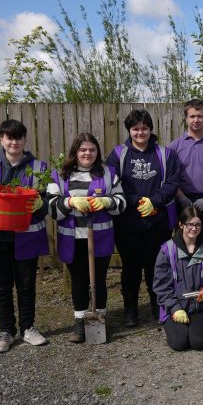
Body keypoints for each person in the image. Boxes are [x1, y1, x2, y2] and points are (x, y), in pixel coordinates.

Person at [0, 119, 49, 353]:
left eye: (18, 137)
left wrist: (40, 205)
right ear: (2, 139)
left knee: (26, 284)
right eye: (9, 137)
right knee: (1, 285)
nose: (14, 142)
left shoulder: (39, 168)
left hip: (27, 236)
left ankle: (28, 328)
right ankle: (6, 331)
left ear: (25, 140)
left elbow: (49, 202)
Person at [46, 133, 125, 343]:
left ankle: (100, 319)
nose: (87, 153)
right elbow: (52, 208)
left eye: (92, 149)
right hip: (72, 237)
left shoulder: (108, 173)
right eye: (83, 150)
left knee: (99, 280)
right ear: (75, 152)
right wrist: (70, 203)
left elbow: (122, 201)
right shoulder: (60, 175)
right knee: (79, 281)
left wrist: (108, 202)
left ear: (97, 152)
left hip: (100, 236)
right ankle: (80, 325)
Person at [106, 109, 181, 327]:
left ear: (151, 129)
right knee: (130, 267)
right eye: (136, 129)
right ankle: (131, 309)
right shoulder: (118, 154)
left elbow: (172, 181)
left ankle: (157, 305)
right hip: (128, 222)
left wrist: (155, 201)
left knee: (155, 266)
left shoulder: (165, 154)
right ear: (129, 131)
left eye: (144, 128)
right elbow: (113, 182)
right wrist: (138, 201)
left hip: (157, 222)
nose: (140, 132)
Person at [153, 206, 203, 351]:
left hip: (201, 307)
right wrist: (174, 308)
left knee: (198, 343)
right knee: (179, 343)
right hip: (175, 307)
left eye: (198, 224)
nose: (194, 228)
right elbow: (161, 286)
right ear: (181, 224)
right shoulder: (167, 250)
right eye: (190, 224)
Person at [167, 98, 203, 246]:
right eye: (192, 116)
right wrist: (181, 198)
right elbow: (169, 177)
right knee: (183, 242)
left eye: (200, 116)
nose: (196, 120)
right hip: (182, 199)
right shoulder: (174, 147)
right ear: (186, 118)